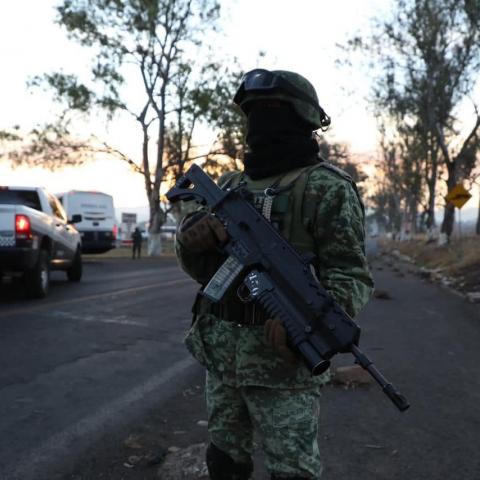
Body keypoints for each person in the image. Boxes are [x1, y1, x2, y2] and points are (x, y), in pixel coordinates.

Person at [175, 69, 374, 480]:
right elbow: (204, 272)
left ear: (302, 117)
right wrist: (189, 239)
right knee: (225, 461)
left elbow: (351, 274)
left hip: (284, 365)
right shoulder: (229, 185)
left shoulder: (328, 187)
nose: (260, 122)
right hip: (223, 355)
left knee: (292, 470)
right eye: (254, 112)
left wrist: (311, 323)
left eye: (272, 110)